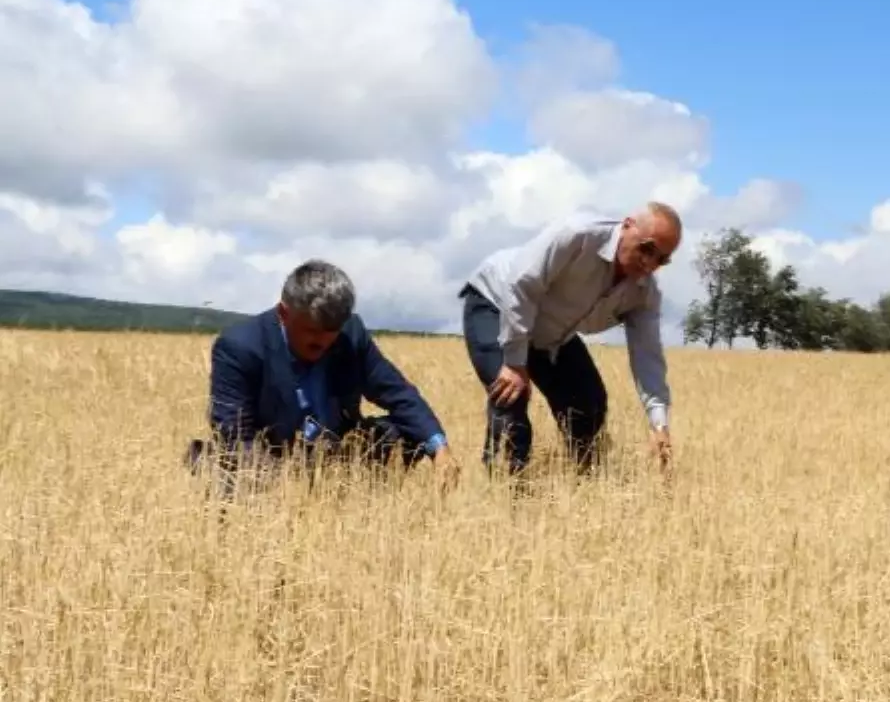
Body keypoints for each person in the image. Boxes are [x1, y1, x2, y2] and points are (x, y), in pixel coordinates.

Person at [188, 259, 460, 494]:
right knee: (223, 468)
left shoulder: (350, 334)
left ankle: (363, 507)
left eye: (332, 330)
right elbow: (234, 436)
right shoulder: (239, 346)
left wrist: (439, 448)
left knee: (407, 432)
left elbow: (398, 394)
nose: (324, 340)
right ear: (284, 313)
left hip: (335, 453)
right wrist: (287, 482)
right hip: (270, 458)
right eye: (313, 329)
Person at [458, 202, 681, 478]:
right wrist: (515, 364)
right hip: (498, 304)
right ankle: (506, 495)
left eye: (662, 259)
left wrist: (658, 424)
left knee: (589, 403)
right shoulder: (576, 234)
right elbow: (523, 286)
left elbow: (647, 355)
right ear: (626, 226)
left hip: (551, 332)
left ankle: (584, 486)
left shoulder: (644, 293)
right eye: (647, 248)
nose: (650, 263)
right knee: (511, 398)